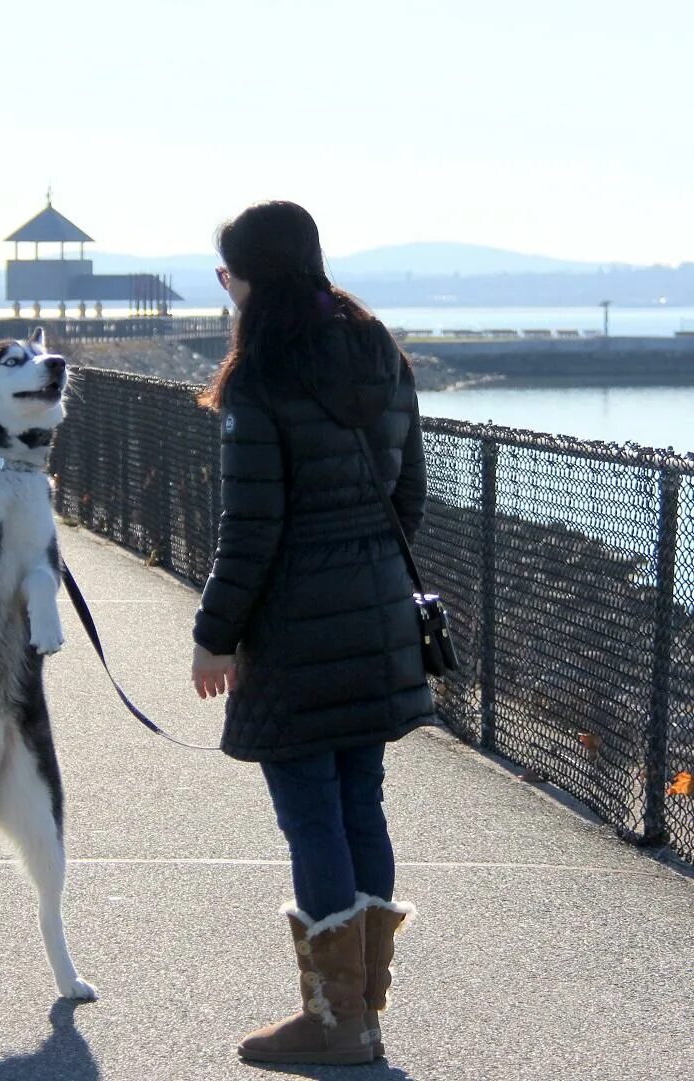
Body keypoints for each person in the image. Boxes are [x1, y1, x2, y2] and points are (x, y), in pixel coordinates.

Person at [190, 201, 434, 1066]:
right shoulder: (378, 350)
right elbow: (410, 495)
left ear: (253, 277)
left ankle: (337, 1023)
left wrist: (214, 635)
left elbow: (251, 529)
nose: (227, 294)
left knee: (313, 820)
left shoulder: (260, 377)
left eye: (228, 278)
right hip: (378, 616)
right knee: (359, 801)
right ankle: (360, 1010)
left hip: (295, 632)